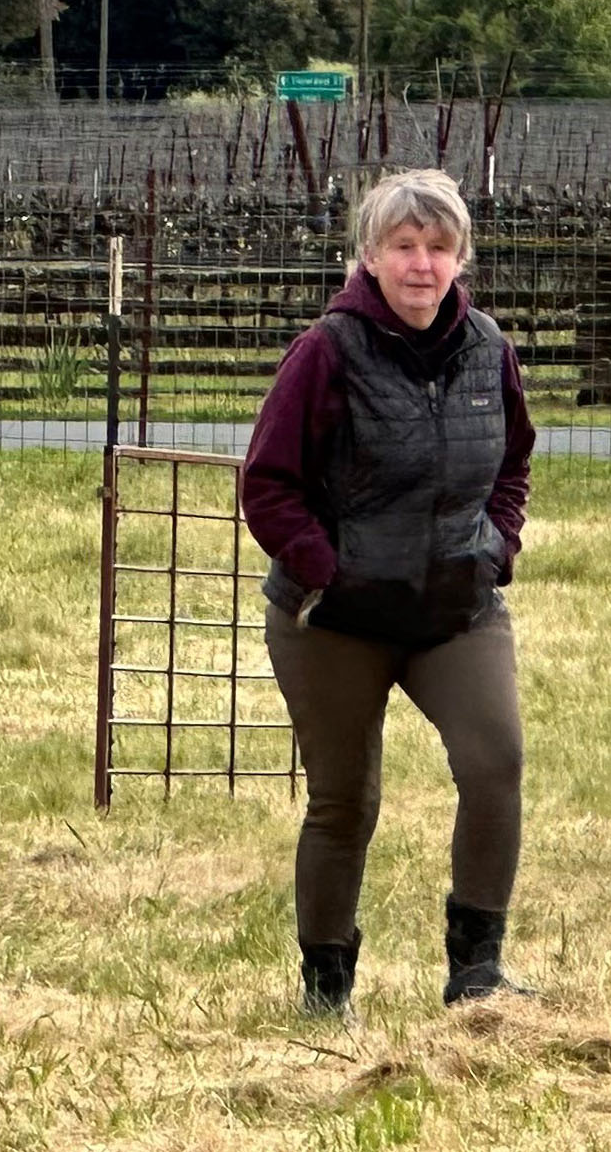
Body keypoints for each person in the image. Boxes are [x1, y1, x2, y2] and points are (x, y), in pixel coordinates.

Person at [242, 167, 536, 1016]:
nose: (422, 264)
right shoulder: (324, 352)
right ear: (369, 257)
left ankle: (475, 973)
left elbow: (511, 462)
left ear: (459, 260)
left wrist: (495, 549)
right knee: (345, 800)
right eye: (404, 246)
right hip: (332, 620)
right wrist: (329, 570)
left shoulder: (488, 350)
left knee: (496, 764)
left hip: (454, 607)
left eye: (439, 248)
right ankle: (326, 987)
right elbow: (268, 486)